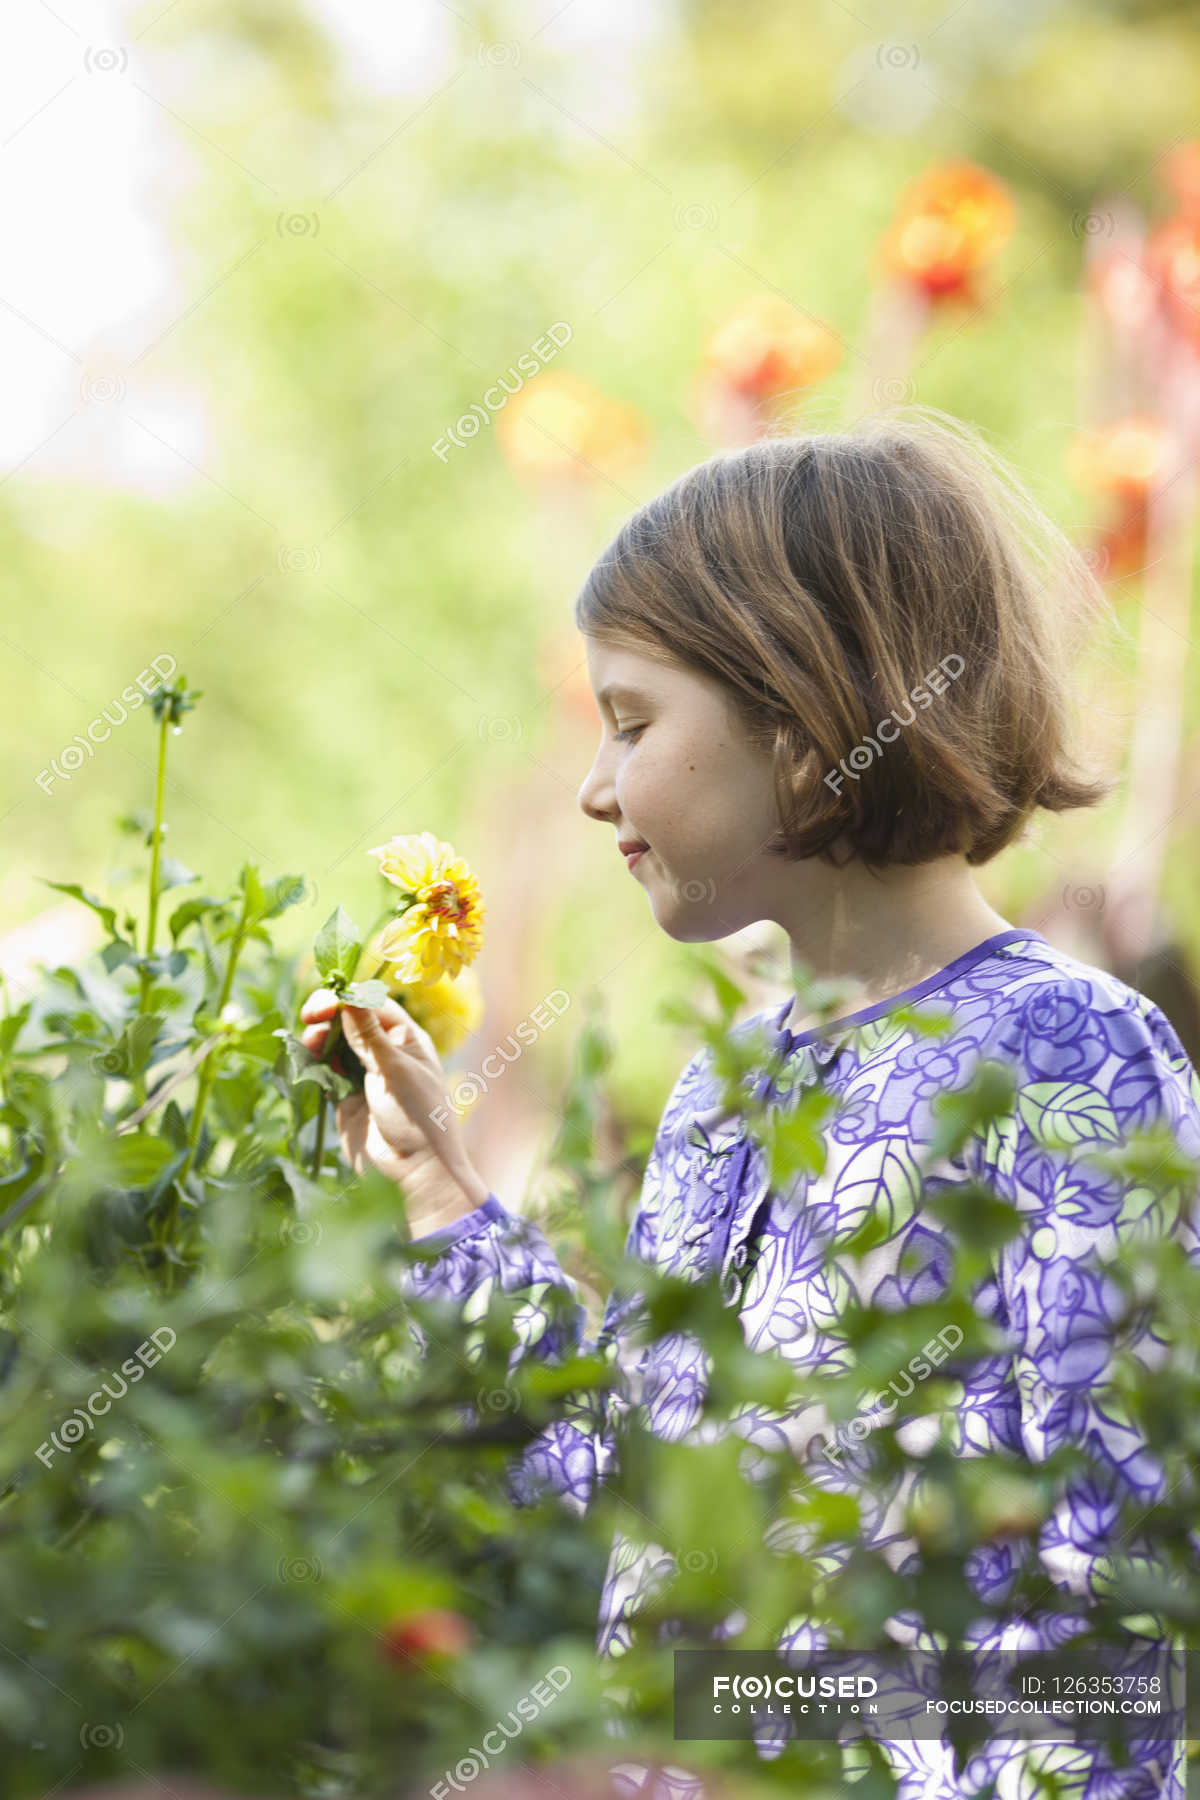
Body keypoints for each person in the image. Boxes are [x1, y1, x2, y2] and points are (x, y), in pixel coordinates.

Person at [300, 410, 1200, 1798]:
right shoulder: (735, 1085)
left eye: (633, 720)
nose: (596, 790)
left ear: (802, 710)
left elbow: (1123, 1641)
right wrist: (443, 1196)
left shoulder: (1077, 1060)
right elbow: (640, 1496)